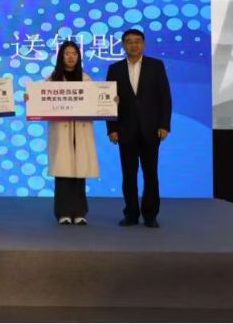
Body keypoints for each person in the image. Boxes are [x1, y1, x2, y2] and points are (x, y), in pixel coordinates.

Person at [27, 40, 99, 225]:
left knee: (79, 172)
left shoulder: (86, 79)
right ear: (61, 57)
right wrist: (31, 98)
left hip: (81, 129)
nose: (71, 57)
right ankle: (63, 212)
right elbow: (40, 101)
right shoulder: (52, 79)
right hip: (61, 130)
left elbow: (97, 103)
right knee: (63, 173)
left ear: (79, 57)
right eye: (67, 53)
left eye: (74, 53)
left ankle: (80, 212)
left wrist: (110, 101)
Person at [106, 28, 172, 228]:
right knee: (129, 175)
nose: (133, 45)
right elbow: (108, 101)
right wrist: (112, 128)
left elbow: (165, 97)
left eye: (137, 41)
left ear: (143, 44)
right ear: (123, 45)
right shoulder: (115, 69)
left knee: (151, 174)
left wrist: (164, 125)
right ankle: (131, 214)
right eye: (129, 41)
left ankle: (150, 215)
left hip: (151, 129)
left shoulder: (156, 66)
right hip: (125, 130)